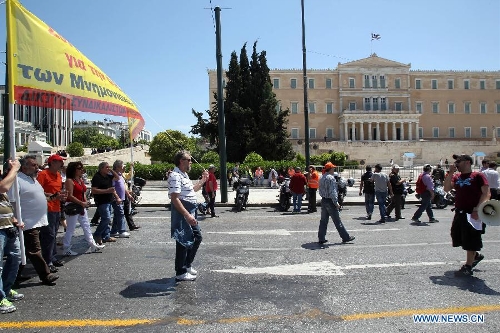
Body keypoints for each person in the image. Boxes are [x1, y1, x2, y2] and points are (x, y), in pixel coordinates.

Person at [10, 155, 59, 286]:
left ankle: (12, 276)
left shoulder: (33, 180)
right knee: (34, 249)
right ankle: (46, 274)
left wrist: (53, 197)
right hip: (27, 222)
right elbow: (12, 201)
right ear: (24, 167)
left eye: (37, 165)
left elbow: (39, 197)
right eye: (33, 165)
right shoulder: (17, 180)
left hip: (39, 220)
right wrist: (15, 219)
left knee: (24, 251)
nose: (37, 167)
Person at [444, 154, 490, 276]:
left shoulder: (478, 176)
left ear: (467, 162)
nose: (457, 163)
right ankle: (475, 255)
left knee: (471, 238)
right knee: (458, 236)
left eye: (459, 161)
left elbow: (486, 194)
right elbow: (447, 188)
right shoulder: (457, 176)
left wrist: (477, 209)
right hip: (460, 212)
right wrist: (450, 173)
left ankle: (468, 266)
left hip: (473, 212)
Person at [168, 150, 208, 281]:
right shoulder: (175, 175)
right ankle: (180, 271)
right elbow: (175, 198)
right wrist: (187, 215)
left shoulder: (183, 174)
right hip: (183, 212)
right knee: (182, 241)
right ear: (181, 161)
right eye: (189, 160)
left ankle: (187, 264)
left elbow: (192, 190)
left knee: (196, 237)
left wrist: (203, 180)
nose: (191, 162)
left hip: (191, 211)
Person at [62, 162, 105, 255]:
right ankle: (66, 248)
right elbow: (70, 195)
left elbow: (82, 192)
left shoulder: (79, 179)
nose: (82, 170)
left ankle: (92, 244)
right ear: (74, 170)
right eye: (79, 168)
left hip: (80, 206)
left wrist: (85, 202)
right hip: (72, 206)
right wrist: (82, 203)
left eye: (82, 168)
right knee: (70, 228)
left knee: (86, 226)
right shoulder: (69, 180)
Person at [0, 159, 24, 314]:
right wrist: (15, 169)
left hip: (8, 226)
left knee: (15, 259)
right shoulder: (2, 183)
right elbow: (3, 188)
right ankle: (0, 298)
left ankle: (6, 289)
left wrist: (13, 219)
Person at [36, 154, 66, 272]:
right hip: (47, 208)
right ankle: (47, 261)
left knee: (53, 234)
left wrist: (61, 197)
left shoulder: (58, 175)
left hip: (56, 208)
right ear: (52, 162)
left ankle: (52, 257)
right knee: (48, 235)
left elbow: (57, 192)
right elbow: (38, 192)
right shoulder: (43, 174)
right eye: (59, 162)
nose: (61, 164)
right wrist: (53, 196)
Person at [317, 162, 355, 244]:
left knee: (323, 220)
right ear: (330, 169)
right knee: (337, 221)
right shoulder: (331, 178)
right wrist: (336, 203)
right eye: (333, 168)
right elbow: (332, 192)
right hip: (330, 201)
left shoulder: (321, 177)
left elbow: (320, 190)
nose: (334, 169)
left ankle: (321, 238)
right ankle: (345, 237)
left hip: (324, 200)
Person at [92, 162, 120, 245]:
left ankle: (106, 236)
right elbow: (94, 190)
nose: (108, 168)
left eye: (109, 167)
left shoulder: (108, 176)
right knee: (106, 218)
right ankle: (97, 234)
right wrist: (107, 191)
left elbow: (117, 177)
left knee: (107, 219)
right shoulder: (97, 177)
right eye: (106, 167)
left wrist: (111, 170)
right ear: (101, 168)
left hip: (108, 200)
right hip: (101, 201)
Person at [109, 160, 131, 239]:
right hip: (116, 199)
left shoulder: (120, 175)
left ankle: (114, 231)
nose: (124, 168)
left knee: (117, 215)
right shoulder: (113, 176)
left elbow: (123, 187)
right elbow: (112, 187)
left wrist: (128, 194)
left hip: (121, 198)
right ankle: (122, 231)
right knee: (120, 214)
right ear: (117, 167)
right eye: (122, 166)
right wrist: (117, 197)